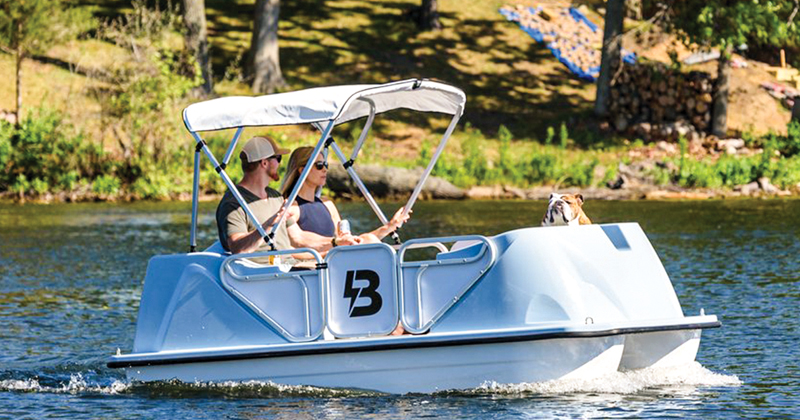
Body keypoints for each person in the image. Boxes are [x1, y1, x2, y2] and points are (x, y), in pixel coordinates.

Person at [215, 136, 358, 259]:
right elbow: (237, 248)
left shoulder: (275, 197)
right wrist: (269, 224)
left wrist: (336, 242)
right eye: (278, 158)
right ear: (264, 163)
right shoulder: (233, 203)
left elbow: (298, 238)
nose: (280, 164)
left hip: (288, 265)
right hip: (263, 273)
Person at [280, 146, 411, 245]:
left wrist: (390, 226)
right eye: (319, 165)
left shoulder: (327, 204)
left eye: (325, 164)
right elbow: (298, 240)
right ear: (303, 170)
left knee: (370, 240)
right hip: (316, 268)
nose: (325, 169)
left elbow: (349, 241)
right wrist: (335, 242)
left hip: (335, 259)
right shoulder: (291, 207)